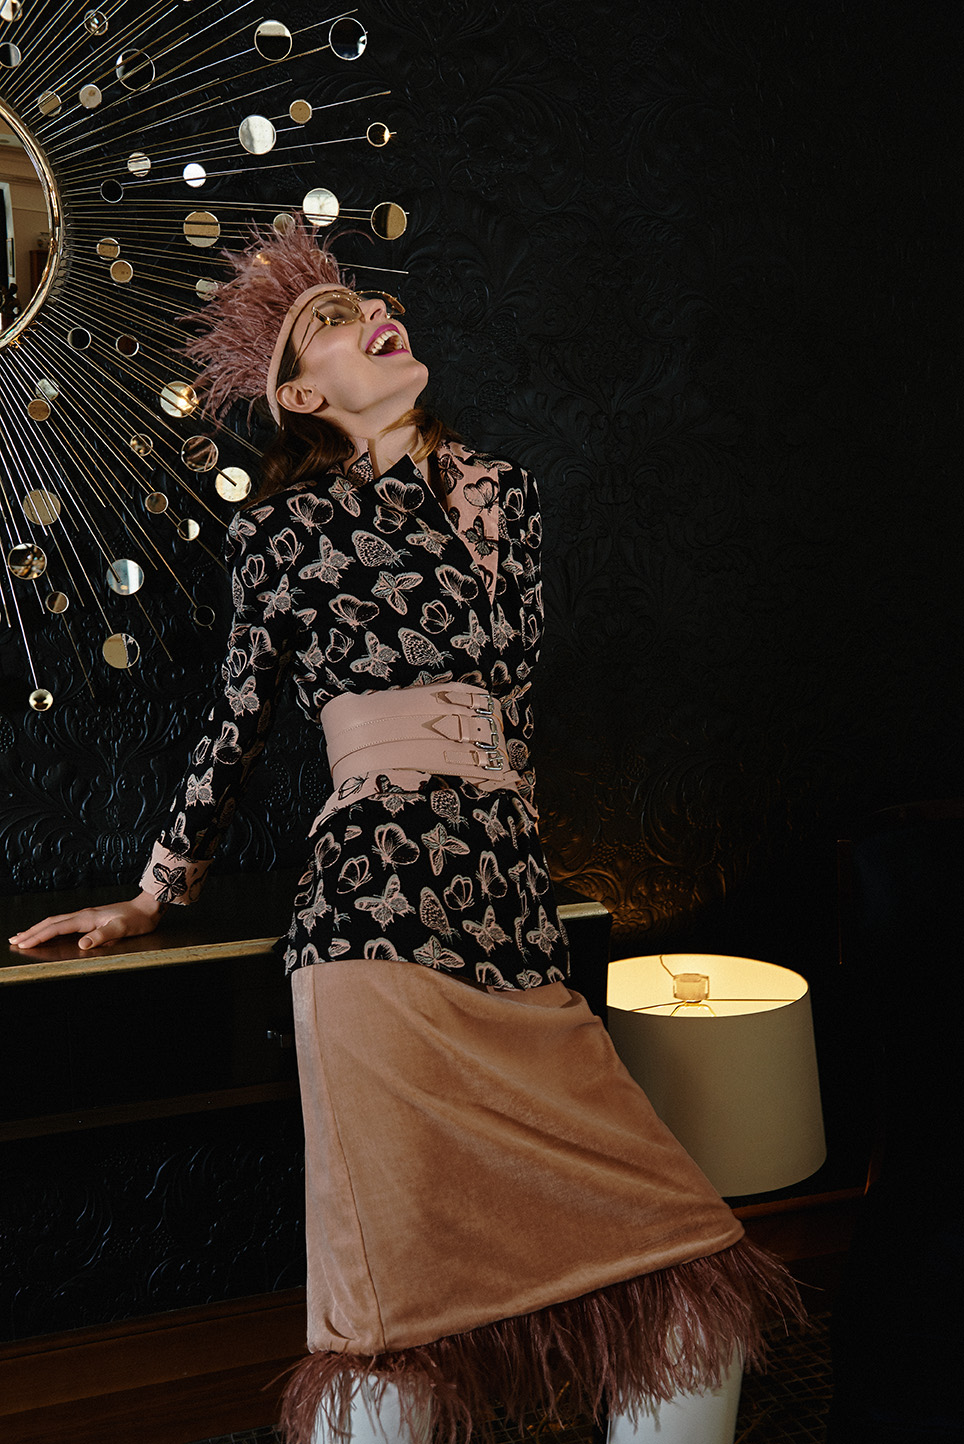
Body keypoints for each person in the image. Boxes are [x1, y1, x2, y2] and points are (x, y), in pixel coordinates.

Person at [10, 220, 800, 1444]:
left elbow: (513, 716)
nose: (370, 312)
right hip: (366, 921)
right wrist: (154, 893)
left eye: (365, 300)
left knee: (685, 1279)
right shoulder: (279, 535)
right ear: (299, 395)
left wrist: (527, 888)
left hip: (506, 914)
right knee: (397, 1317)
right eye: (328, 321)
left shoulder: (504, 493)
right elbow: (233, 727)